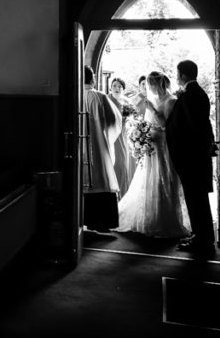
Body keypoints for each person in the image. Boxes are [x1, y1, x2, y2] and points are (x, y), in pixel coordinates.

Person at [115, 72, 191, 238]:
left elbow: (167, 125)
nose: (149, 89)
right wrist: (141, 131)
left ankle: (164, 218)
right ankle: (148, 215)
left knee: (162, 177)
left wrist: (151, 109)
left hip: (163, 145)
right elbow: (151, 122)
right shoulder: (156, 99)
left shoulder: (170, 101)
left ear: (159, 84)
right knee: (147, 178)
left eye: (151, 85)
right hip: (151, 144)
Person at [166, 59, 216, 256]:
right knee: (196, 199)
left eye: (177, 73)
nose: (176, 76)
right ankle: (200, 235)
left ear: (183, 75)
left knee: (197, 199)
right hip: (194, 157)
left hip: (191, 158)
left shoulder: (192, 95)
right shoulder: (194, 93)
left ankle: (203, 240)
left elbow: (193, 128)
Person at [82, 66, 121, 230]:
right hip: (98, 145)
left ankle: (82, 220)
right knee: (101, 175)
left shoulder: (75, 95)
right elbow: (114, 120)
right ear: (93, 79)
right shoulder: (99, 96)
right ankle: (101, 222)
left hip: (80, 146)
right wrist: (103, 133)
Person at [107, 77, 135, 195]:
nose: (117, 88)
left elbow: (132, 119)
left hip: (123, 136)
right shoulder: (106, 99)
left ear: (123, 89)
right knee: (112, 164)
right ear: (110, 87)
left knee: (122, 164)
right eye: (114, 85)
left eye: (119, 86)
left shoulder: (127, 102)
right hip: (109, 135)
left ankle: (123, 193)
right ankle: (111, 192)